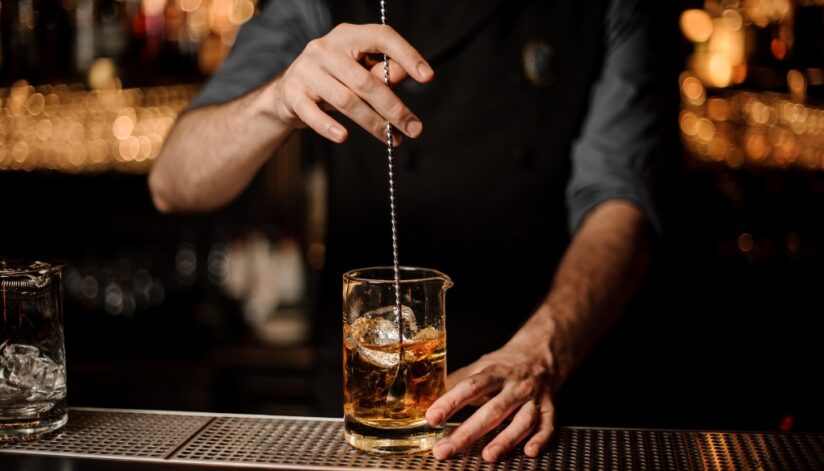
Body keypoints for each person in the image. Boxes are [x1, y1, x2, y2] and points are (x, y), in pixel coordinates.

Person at [149, 0, 660, 462]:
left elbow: (621, 203)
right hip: (367, 416)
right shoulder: (316, 4)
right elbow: (173, 182)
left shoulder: (609, 8)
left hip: (540, 395)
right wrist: (276, 101)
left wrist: (544, 349)